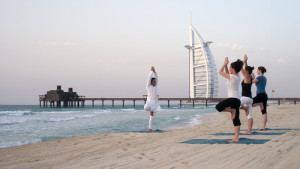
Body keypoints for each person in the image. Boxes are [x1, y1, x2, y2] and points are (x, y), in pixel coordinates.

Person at [216, 57, 243, 142]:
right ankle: (236, 138)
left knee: (218, 107)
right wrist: (227, 65)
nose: (230, 69)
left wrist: (224, 64)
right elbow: (228, 73)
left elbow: (220, 72)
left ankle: (231, 111)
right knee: (236, 120)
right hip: (237, 100)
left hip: (232, 99)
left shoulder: (232, 77)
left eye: (231, 67)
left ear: (233, 68)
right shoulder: (237, 77)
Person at [240, 55, 255, 134]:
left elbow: (242, 69)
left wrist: (242, 62)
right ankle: (249, 131)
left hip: (245, 98)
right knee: (250, 116)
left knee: (234, 103)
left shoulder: (247, 77)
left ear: (247, 71)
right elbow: (245, 68)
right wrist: (245, 62)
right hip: (249, 99)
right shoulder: (249, 77)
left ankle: (245, 108)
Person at [144, 66, 161, 132]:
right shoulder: (148, 86)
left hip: (155, 104)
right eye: (153, 81)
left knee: (152, 118)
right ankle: (151, 110)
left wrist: (155, 72)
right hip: (149, 102)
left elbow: (157, 78)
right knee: (145, 107)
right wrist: (151, 72)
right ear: (151, 82)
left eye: (155, 81)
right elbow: (149, 78)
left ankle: (150, 128)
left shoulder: (155, 86)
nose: (154, 82)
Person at [252, 66, 268, 131]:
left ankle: (259, 103)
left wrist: (252, 77)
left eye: (257, 70)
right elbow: (256, 82)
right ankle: (263, 127)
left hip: (260, 95)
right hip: (264, 95)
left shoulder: (260, 77)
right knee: (264, 112)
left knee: (250, 103)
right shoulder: (264, 78)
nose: (257, 71)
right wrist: (253, 78)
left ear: (260, 70)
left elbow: (252, 81)